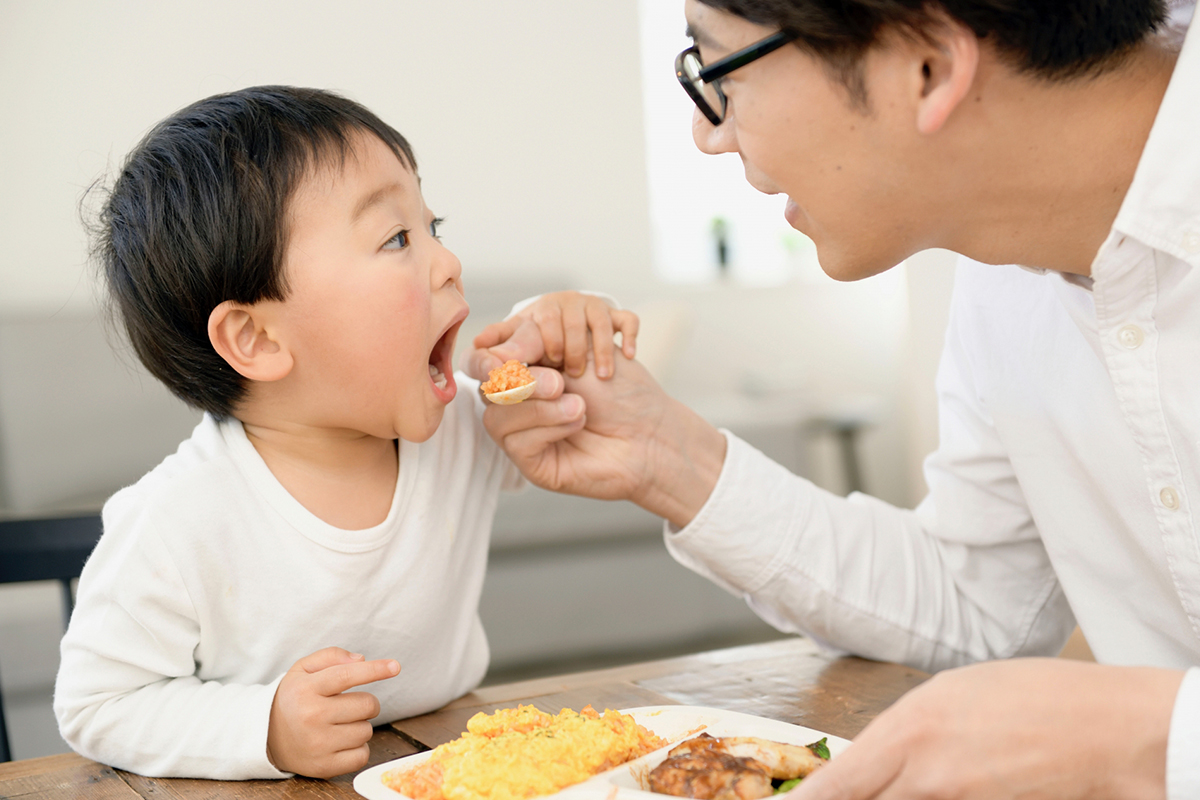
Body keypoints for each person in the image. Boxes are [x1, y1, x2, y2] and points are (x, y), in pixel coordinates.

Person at [465, 0, 1200, 797]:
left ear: (927, 66)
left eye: (716, 71)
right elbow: (982, 605)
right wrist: (667, 459)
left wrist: (1149, 738)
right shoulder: (1005, 269)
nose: (707, 133)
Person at [53, 86, 638, 781]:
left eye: (433, 225)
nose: (448, 262)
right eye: (396, 238)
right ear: (258, 338)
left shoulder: (461, 427)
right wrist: (262, 727)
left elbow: (573, 419)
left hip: (458, 763)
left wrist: (567, 332)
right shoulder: (176, 521)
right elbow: (97, 704)